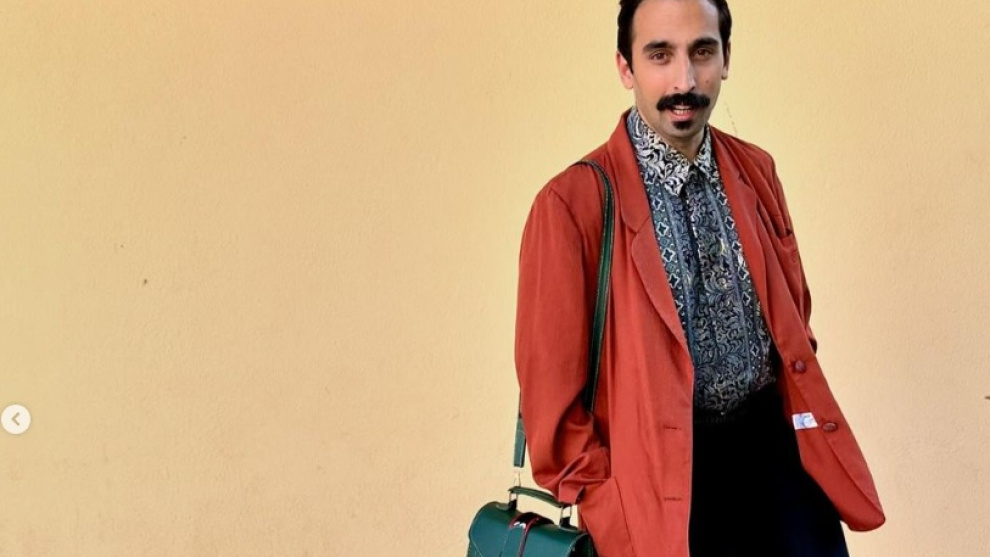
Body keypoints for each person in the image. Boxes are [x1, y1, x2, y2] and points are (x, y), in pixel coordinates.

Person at [513, 1, 885, 556]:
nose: (684, 81)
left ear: (726, 58)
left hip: (778, 468)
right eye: (660, 55)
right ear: (625, 67)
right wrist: (611, 508)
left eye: (702, 52)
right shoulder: (572, 207)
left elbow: (794, 321)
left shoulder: (757, 171)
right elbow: (552, 408)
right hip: (661, 492)